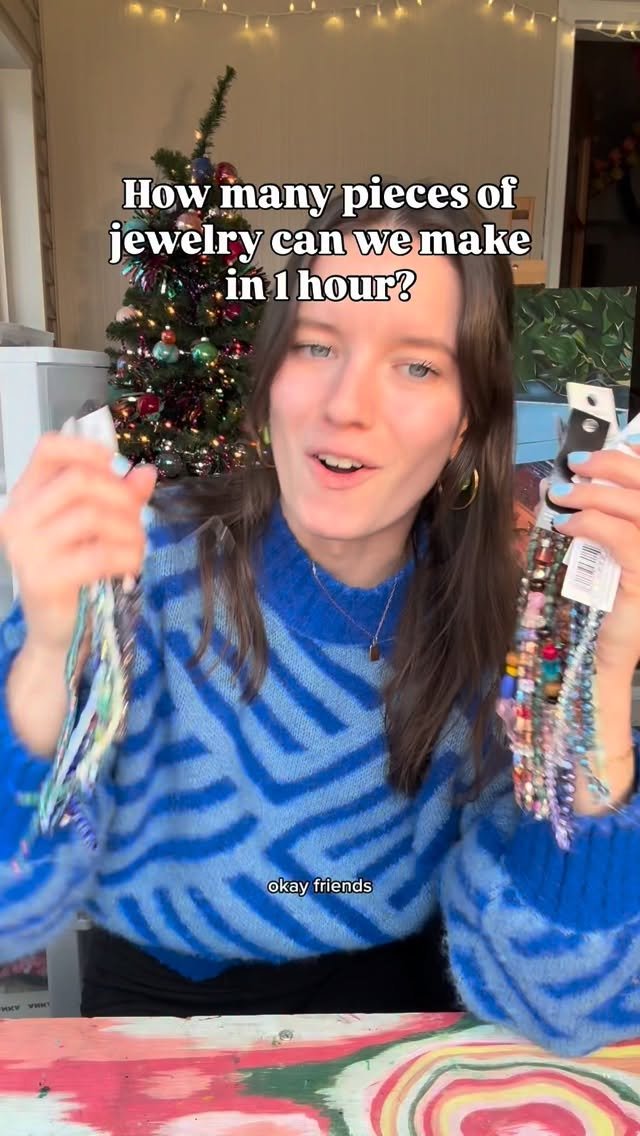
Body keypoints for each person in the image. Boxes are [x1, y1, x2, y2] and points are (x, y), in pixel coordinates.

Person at [0, 187, 639, 1058]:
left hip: (404, 1031)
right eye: (316, 344)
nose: (347, 404)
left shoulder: (508, 630)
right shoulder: (136, 562)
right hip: (154, 1031)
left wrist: (594, 680)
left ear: (465, 425)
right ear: (269, 380)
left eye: (417, 365)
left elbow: (569, 1006)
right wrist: (48, 652)